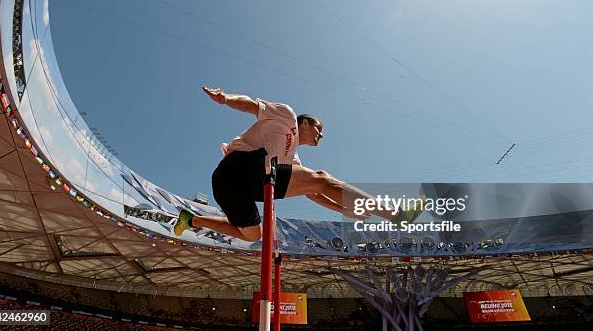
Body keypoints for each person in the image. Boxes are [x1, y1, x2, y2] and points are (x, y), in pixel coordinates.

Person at [173, 87, 415, 242]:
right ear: (305, 123)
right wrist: (226, 99)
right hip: (236, 169)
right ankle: (395, 215)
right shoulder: (286, 116)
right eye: (319, 129)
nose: (321, 136)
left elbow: (313, 194)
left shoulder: (293, 158)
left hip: (237, 190)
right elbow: (252, 105)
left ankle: (192, 220)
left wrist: (343, 210)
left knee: (252, 235)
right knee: (321, 178)